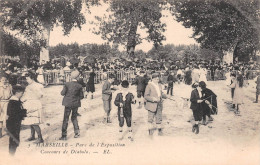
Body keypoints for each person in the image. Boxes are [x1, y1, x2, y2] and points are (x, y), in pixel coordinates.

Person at [59, 70, 84, 140]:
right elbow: (82, 96)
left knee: (65, 119)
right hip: (75, 104)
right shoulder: (79, 86)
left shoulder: (67, 84)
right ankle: (77, 132)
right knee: (74, 118)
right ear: (77, 77)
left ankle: (64, 136)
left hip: (67, 103)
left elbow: (62, 93)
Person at [22, 72, 44, 143]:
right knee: (30, 121)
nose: (27, 81)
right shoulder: (28, 86)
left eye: (28, 79)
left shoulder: (38, 85)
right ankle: (32, 136)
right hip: (29, 104)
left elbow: (40, 95)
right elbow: (25, 96)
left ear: (32, 78)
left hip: (34, 104)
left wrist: (33, 94)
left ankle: (40, 138)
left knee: (34, 122)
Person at [6, 85, 27, 155]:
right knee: (14, 139)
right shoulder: (14, 102)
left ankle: (12, 153)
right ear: (17, 93)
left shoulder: (15, 101)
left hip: (14, 123)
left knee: (15, 138)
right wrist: (24, 112)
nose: (22, 95)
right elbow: (15, 113)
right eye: (21, 93)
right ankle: (12, 154)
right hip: (13, 123)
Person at [0, 74, 13, 138]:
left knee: (8, 117)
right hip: (1, 103)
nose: (4, 81)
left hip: (8, 102)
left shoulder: (9, 86)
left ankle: (9, 131)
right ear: (0, 80)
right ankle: (0, 133)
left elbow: (11, 94)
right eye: (3, 80)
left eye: (5, 80)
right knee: (0, 118)